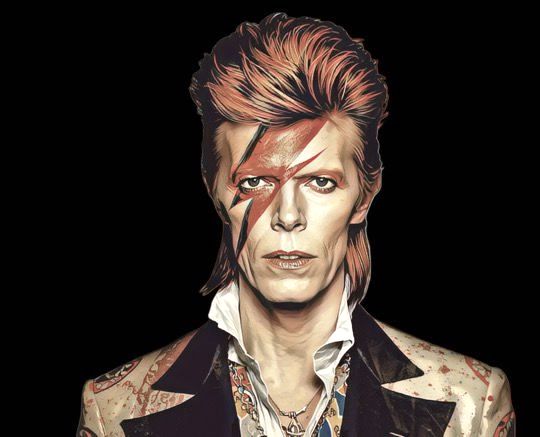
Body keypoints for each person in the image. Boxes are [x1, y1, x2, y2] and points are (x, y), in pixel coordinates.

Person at [77, 13, 515, 437]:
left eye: (320, 182)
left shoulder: (470, 404)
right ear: (215, 191)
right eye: (254, 182)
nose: (288, 216)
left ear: (364, 195)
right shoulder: (116, 408)